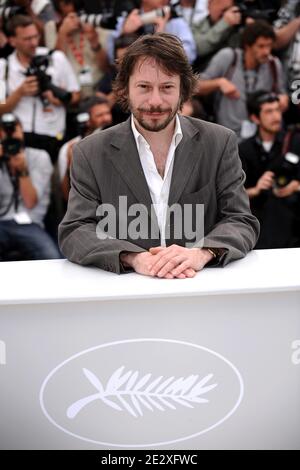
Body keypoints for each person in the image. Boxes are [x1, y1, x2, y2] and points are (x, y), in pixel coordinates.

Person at [59, 33, 259, 279]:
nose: (155, 101)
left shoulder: (219, 142)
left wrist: (202, 251)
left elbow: (241, 220)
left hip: (200, 290)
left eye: (166, 87)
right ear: (125, 89)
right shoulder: (90, 151)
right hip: (126, 294)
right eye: (144, 87)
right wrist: (133, 257)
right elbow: (75, 230)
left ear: (183, 90)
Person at [0, 14, 80, 163]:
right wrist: (19, 93)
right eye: (27, 39)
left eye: (35, 36)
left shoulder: (56, 58)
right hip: (23, 140)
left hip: (55, 137)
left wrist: (57, 99)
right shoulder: (2, 67)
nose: (33, 43)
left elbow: (76, 96)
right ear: (12, 41)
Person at [197, 20, 289, 139]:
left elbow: (282, 93)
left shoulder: (273, 64)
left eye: (269, 46)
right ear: (247, 46)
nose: (266, 51)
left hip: (260, 139)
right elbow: (195, 87)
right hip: (227, 136)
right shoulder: (228, 57)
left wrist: (283, 99)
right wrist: (219, 83)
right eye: (261, 46)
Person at [239, 90, 300, 249]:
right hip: (258, 228)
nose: (276, 117)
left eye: (277, 110)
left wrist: (295, 186)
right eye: (269, 112)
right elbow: (231, 196)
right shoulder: (243, 150)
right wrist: (256, 189)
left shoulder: (294, 142)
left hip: (293, 224)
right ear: (255, 118)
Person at [0, 113, 62, 260]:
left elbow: (30, 201)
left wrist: (22, 171)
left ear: (22, 130)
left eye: (14, 129)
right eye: (5, 131)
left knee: (52, 257)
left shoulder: (40, 157)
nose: (11, 135)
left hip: (30, 223)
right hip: (2, 223)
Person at [58, 96, 113, 202]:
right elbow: (65, 190)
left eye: (108, 113)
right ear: (86, 119)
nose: (106, 118)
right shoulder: (69, 148)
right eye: (100, 115)